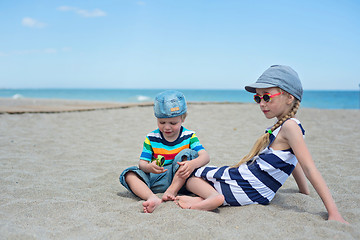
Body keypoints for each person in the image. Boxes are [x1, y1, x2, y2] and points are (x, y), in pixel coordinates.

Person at [175, 65, 348, 224]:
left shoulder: (289, 126)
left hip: (248, 187)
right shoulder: (285, 127)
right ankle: (206, 198)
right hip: (255, 188)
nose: (262, 104)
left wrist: (333, 213)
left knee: (191, 176)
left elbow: (309, 168)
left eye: (267, 97)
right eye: (258, 98)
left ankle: (212, 198)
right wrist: (304, 191)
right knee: (201, 175)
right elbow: (293, 160)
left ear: (289, 97)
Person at [119, 90, 210, 213]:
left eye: (173, 123)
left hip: (182, 179)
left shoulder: (189, 136)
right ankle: (151, 197)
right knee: (129, 174)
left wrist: (192, 164)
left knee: (187, 154)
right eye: (162, 122)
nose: (167, 127)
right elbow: (142, 164)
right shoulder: (151, 138)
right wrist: (150, 167)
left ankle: (172, 190)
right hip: (158, 178)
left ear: (183, 118)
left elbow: (205, 156)